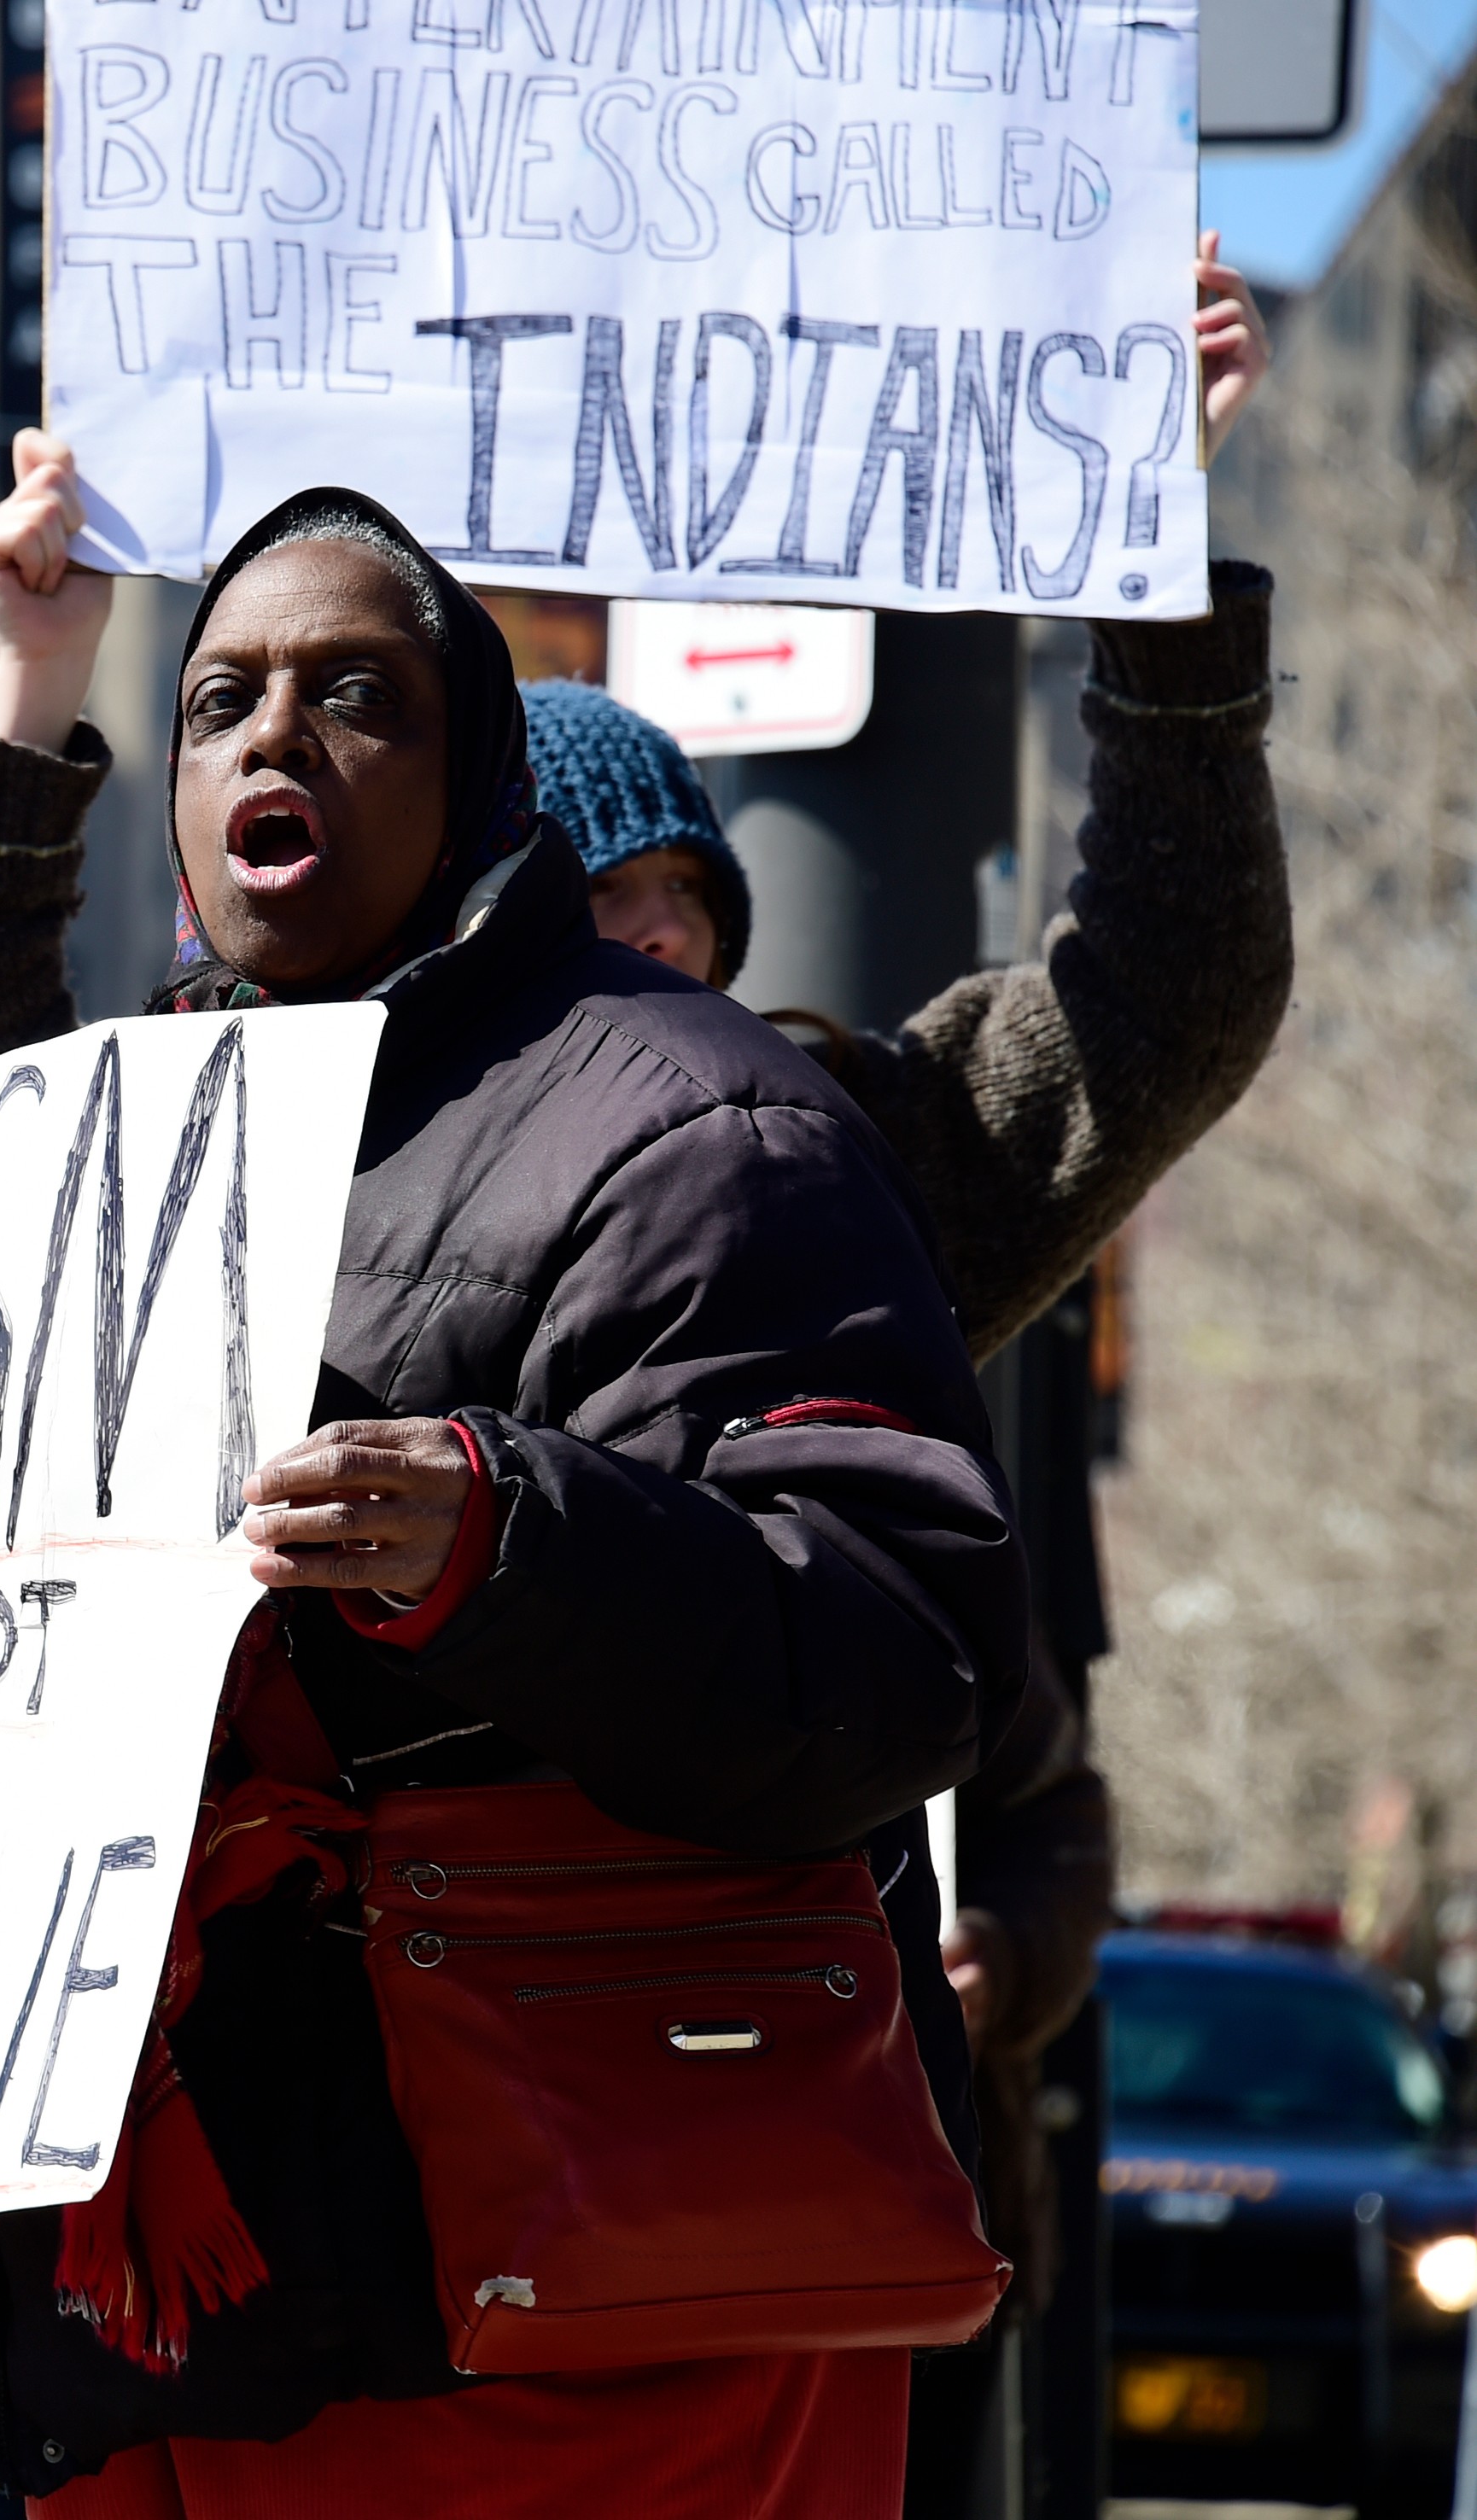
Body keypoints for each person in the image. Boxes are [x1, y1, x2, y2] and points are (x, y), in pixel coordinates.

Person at [0, 472, 1030, 2511]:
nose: (273, 737)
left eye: (356, 695)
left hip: (584, 2297)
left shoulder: (698, 1121)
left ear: (474, 781)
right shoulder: (134, 1120)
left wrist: (505, 1537)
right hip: (167, 2283)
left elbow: (902, 1648)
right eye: (219, 704)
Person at [530, 417, 1283, 2498]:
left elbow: (1165, 995)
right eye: (592, 905)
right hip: (430, 2196)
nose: (654, 946)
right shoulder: (292, 1149)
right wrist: (36, 717)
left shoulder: (832, 1169)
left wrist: (1155, 555)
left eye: (685, 903)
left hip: (807, 2197)